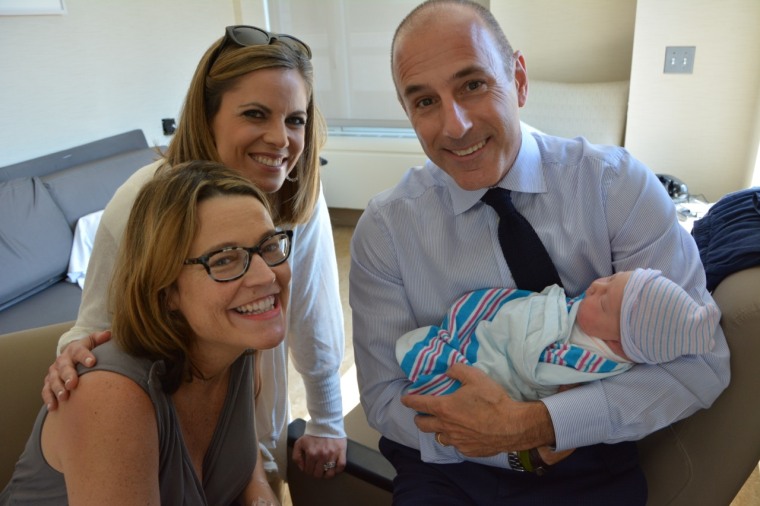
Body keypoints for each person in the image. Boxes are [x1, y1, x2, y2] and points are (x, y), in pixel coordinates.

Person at [349, 0, 730, 503]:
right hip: (448, 465)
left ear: (520, 80)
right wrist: (504, 446)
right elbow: (382, 396)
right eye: (424, 102)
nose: (455, 125)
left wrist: (543, 425)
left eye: (473, 85)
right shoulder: (385, 230)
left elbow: (702, 365)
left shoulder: (616, 188)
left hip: (591, 455)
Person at [41, 25, 347, 488]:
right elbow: (95, 325)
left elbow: (311, 306)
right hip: (151, 434)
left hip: (246, 424)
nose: (280, 139)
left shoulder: (297, 194)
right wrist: (72, 359)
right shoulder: (142, 200)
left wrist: (326, 417)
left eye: (295, 120)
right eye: (255, 114)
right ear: (207, 118)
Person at [2, 161, 286, 505]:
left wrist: (259, 491)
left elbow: (241, 453)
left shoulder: (238, 347)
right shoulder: (112, 397)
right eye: (225, 259)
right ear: (166, 290)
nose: (265, 276)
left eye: (269, 246)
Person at [396, 268, 721, 402]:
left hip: (501, 364)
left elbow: (536, 369)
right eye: (611, 278)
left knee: (449, 370)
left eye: (604, 301)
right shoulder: (594, 324)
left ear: (617, 344)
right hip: (490, 328)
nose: (596, 285)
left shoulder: (588, 361)